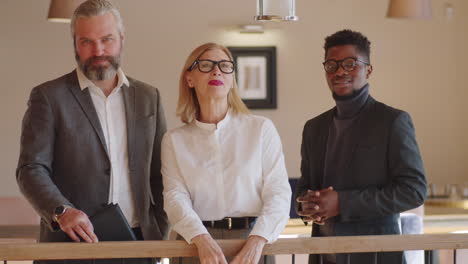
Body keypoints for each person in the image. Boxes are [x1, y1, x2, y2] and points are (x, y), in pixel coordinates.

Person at [16, 0, 167, 262]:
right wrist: (61, 211)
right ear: (75, 43)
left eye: (107, 39)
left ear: (121, 38)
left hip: (138, 246)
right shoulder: (48, 97)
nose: (98, 50)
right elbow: (31, 169)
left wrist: (158, 227)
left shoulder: (148, 97)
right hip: (69, 247)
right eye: (87, 41)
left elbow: (161, 173)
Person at [295, 29, 427, 264]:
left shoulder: (392, 121)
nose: (339, 71)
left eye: (350, 63)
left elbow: (414, 190)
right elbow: (305, 188)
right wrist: (306, 204)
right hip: (323, 256)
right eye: (331, 65)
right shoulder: (313, 127)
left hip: (375, 256)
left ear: (369, 69)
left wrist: (342, 203)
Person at [162, 43, 291, 264]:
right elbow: (175, 198)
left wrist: (257, 240)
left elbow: (278, 192)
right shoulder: (174, 140)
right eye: (205, 65)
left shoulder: (261, 129)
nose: (216, 71)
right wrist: (201, 239)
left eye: (224, 66)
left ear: (232, 80)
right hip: (195, 244)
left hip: (252, 242)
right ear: (189, 79)